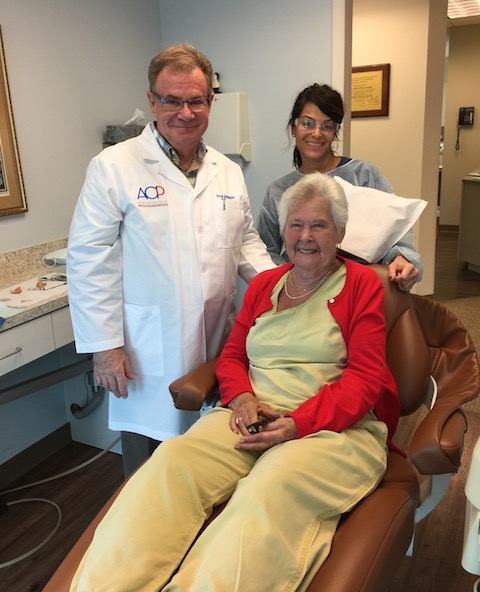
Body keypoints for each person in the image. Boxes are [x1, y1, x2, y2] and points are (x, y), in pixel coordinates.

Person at [70, 172, 400, 592]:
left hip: (331, 428)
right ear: (282, 231)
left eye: (319, 225)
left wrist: (297, 424)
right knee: (172, 464)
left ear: (340, 231)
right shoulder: (265, 284)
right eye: (296, 224)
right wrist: (241, 397)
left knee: (269, 487)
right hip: (247, 418)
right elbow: (232, 356)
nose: (305, 235)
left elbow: (366, 378)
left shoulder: (361, 285)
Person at [67, 42, 275, 476]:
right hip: (149, 347)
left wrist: (287, 289)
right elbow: (89, 259)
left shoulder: (227, 170)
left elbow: (246, 242)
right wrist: (104, 347)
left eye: (195, 100)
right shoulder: (113, 167)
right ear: (152, 101)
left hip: (217, 336)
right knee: (149, 458)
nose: (185, 112)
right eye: (172, 100)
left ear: (210, 101)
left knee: (211, 447)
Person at [256, 83, 422, 292]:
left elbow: (396, 234)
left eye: (326, 126)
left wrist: (401, 259)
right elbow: (266, 252)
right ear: (293, 127)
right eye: (307, 123)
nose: (316, 133)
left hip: (360, 293)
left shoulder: (364, 175)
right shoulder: (278, 191)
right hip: (301, 296)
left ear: (335, 132)